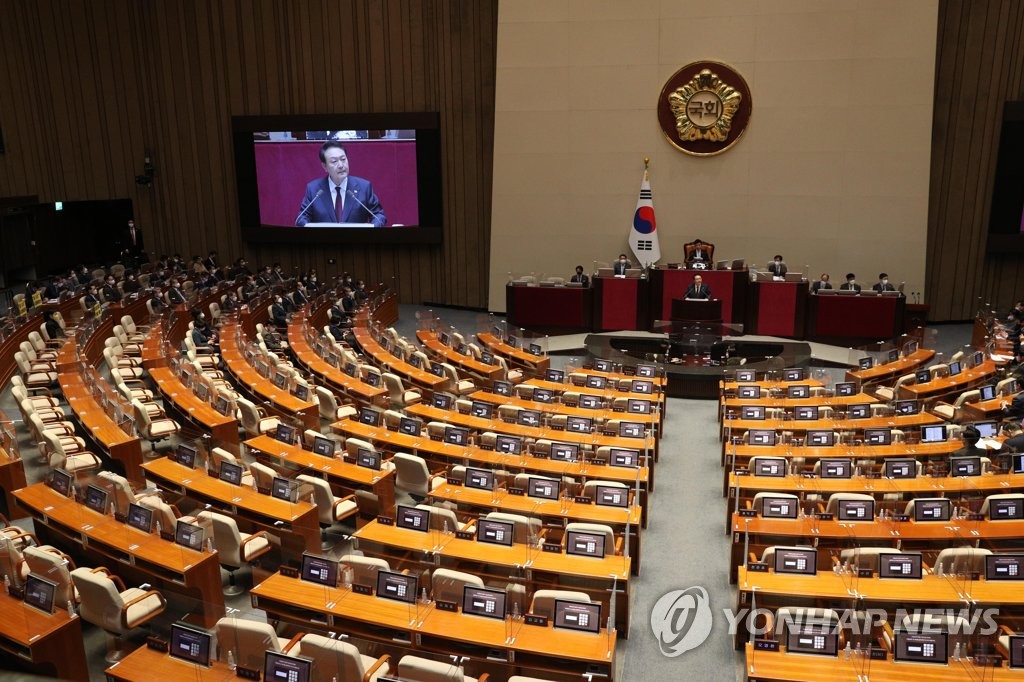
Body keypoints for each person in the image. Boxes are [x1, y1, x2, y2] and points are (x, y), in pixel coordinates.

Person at [295, 141, 386, 227]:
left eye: (343, 159)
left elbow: (379, 215)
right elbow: (301, 218)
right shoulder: (313, 189)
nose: (341, 165)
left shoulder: (364, 187)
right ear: (324, 166)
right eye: (334, 161)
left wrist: (371, 228)